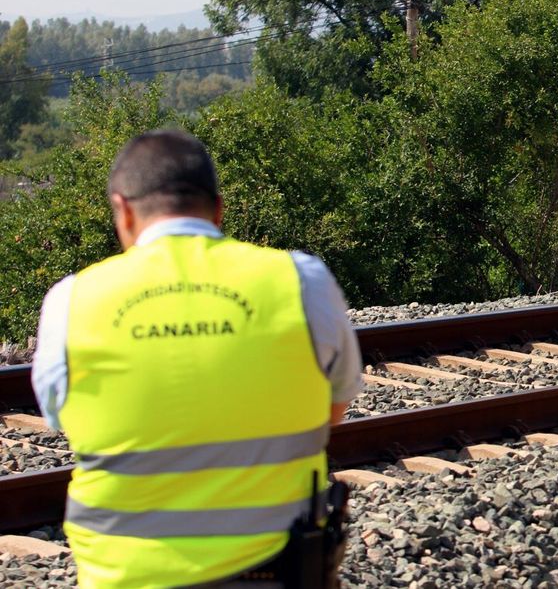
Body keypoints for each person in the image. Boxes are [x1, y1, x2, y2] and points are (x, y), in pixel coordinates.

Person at [31, 129, 363, 588]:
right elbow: (332, 409)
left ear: (123, 211)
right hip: (278, 564)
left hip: (123, 573)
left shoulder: (71, 301)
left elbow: (64, 419)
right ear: (218, 209)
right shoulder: (301, 280)